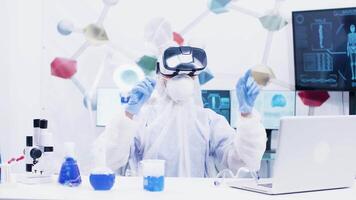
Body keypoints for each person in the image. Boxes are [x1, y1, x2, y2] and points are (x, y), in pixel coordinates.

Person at [94, 46, 266, 177]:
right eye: (173, 74)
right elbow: (111, 160)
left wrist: (247, 116)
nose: (182, 79)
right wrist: (128, 115)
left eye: (189, 75)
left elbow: (244, 164)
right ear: (160, 76)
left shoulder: (209, 120)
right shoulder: (143, 119)